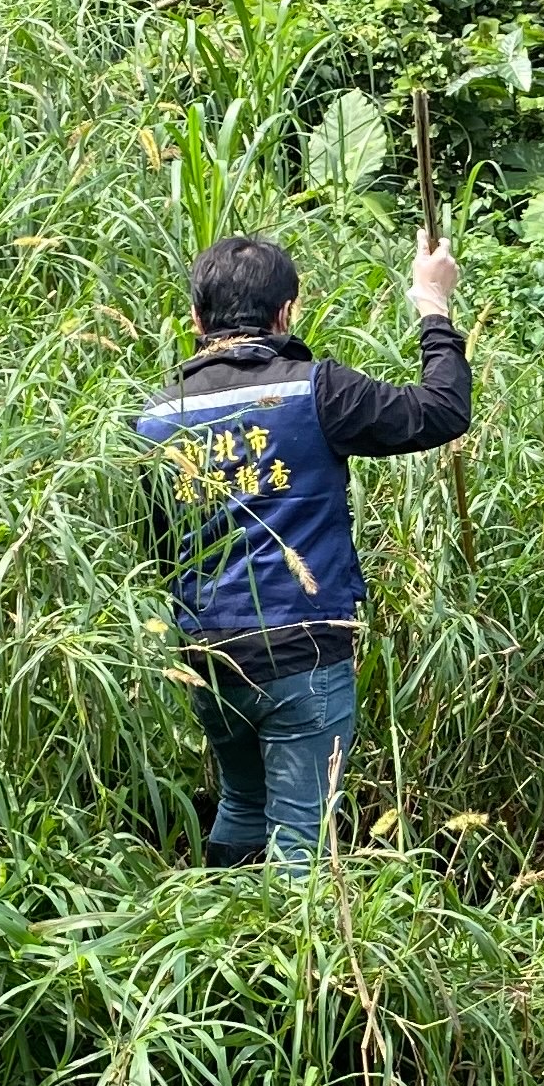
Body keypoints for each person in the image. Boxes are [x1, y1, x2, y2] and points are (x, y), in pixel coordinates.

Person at [137, 228, 469, 867]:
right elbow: (441, 410)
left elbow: (153, 546)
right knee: (301, 837)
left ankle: (218, 950)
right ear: (285, 312)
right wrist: (432, 305)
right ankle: (288, 960)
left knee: (241, 800)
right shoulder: (319, 391)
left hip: (205, 654)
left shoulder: (152, 418)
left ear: (196, 319)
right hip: (303, 649)